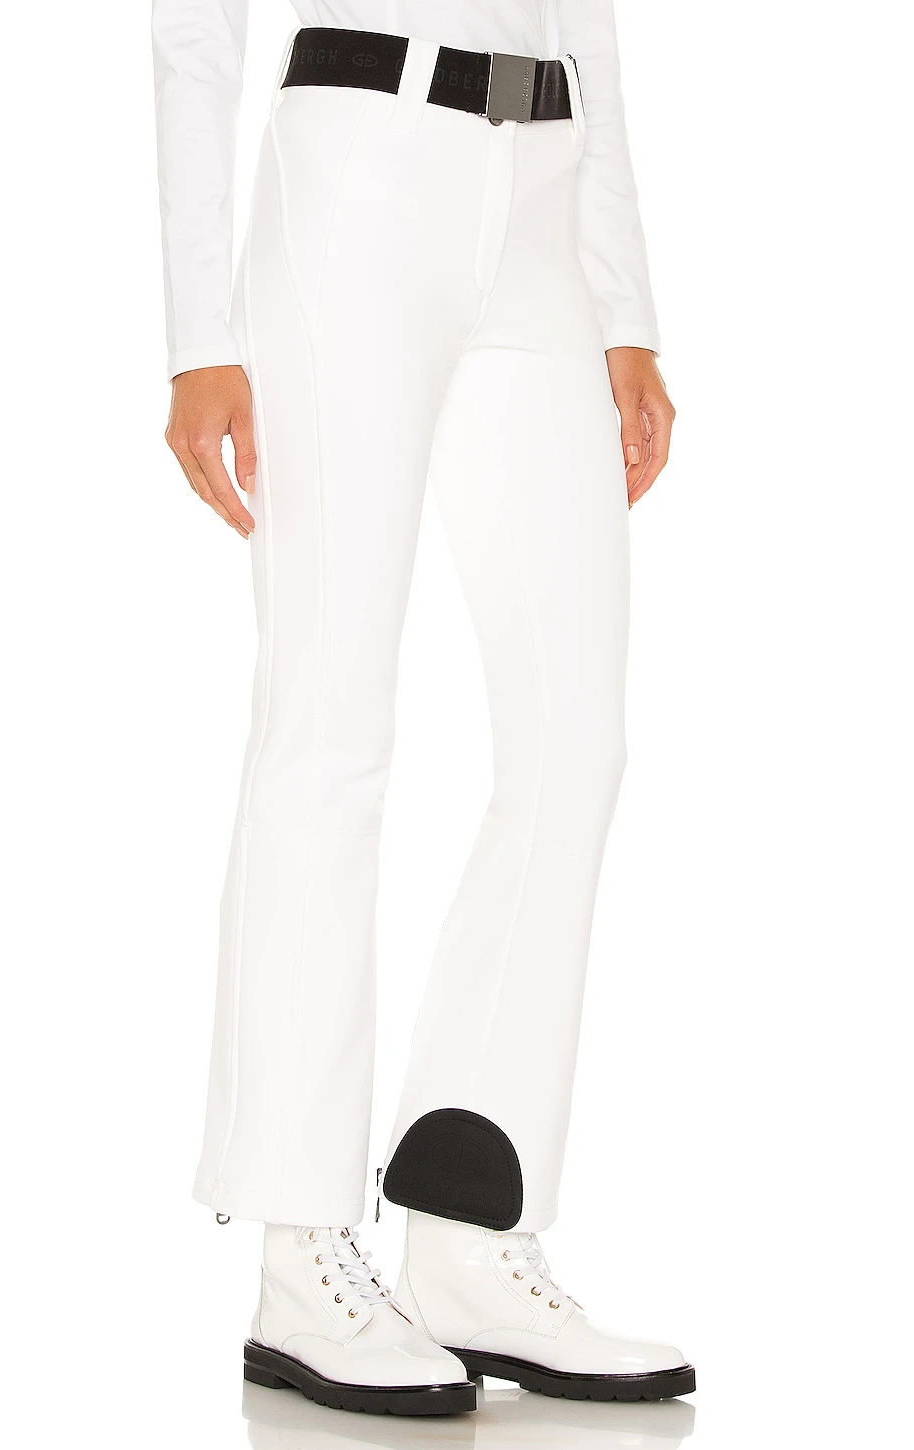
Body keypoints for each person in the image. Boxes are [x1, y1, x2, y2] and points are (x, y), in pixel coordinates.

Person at [153, 0, 693, 1418]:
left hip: (542, 200)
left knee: (574, 739)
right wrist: (198, 332)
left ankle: (468, 1225)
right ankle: (297, 1247)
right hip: (357, 182)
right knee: (328, 726)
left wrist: (625, 304)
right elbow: (193, 30)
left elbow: (591, 22)